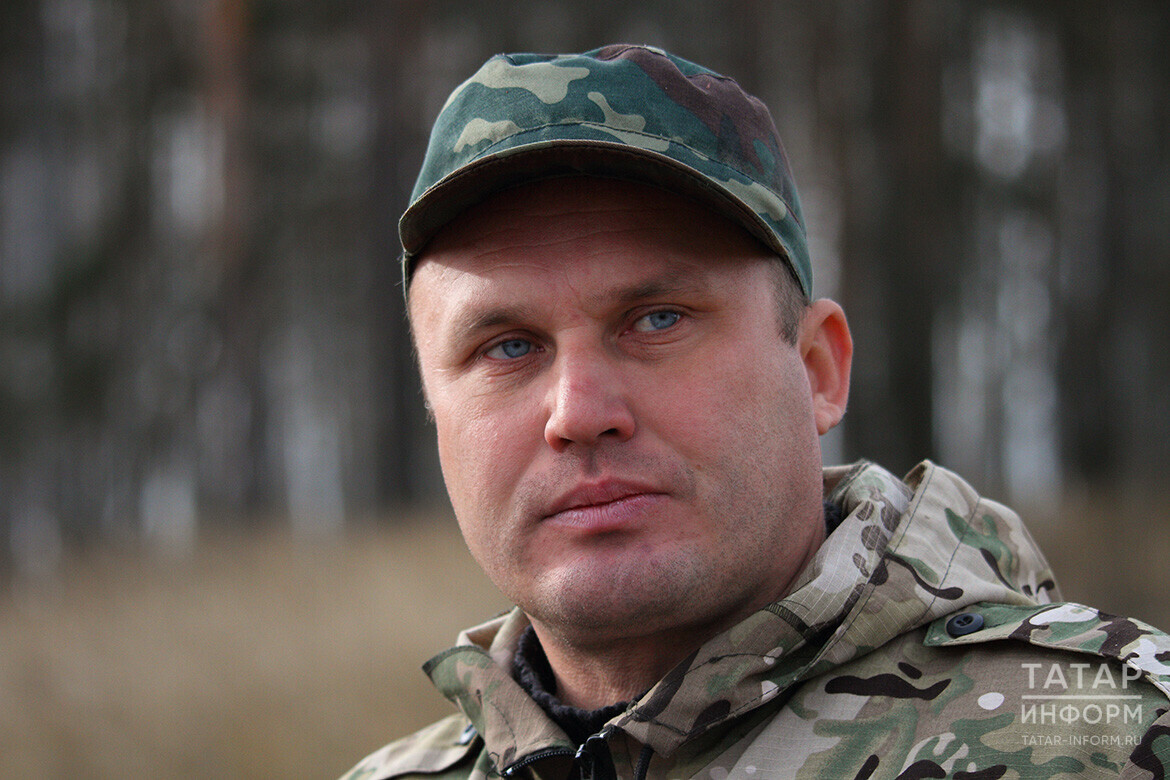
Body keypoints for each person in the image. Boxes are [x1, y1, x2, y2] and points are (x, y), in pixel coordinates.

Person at [342, 44, 1170, 780]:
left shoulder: (1110, 741)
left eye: (657, 319)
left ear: (817, 370)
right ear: (436, 411)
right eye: (509, 347)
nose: (580, 413)